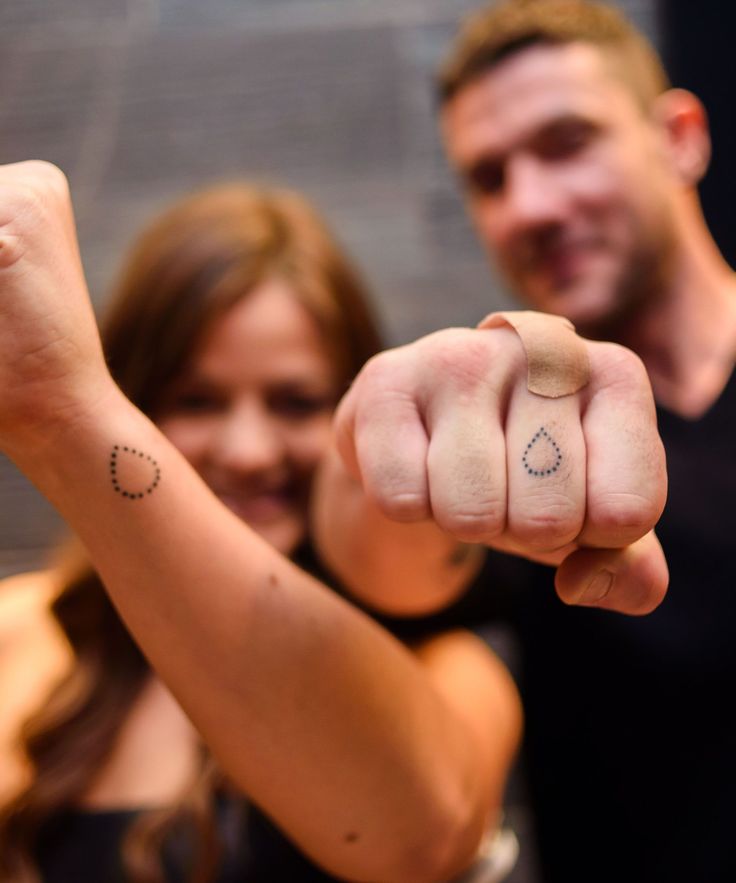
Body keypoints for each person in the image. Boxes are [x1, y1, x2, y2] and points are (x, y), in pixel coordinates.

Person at [0, 151, 668, 880]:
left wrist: (63, 411)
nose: (250, 452)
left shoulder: (449, 660)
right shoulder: (25, 633)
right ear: (142, 395)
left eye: (295, 402)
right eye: (198, 400)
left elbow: (419, 839)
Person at [320, 2, 736, 882]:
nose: (529, 207)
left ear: (681, 138)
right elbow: (384, 569)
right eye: (489, 177)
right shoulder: (516, 434)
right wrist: (369, 445)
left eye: (566, 141)